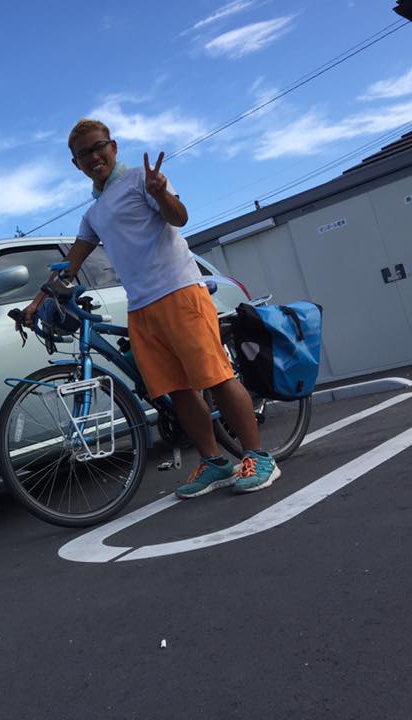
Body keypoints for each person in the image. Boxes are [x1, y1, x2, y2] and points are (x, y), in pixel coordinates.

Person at [20, 118, 280, 497]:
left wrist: (161, 193)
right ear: (76, 164)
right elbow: (70, 265)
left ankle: (258, 457)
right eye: (83, 154)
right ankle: (213, 462)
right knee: (177, 389)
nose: (93, 157)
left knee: (216, 377)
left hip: (179, 291)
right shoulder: (93, 214)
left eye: (98, 147)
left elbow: (179, 217)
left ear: (113, 147)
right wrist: (36, 303)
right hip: (140, 306)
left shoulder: (142, 179)